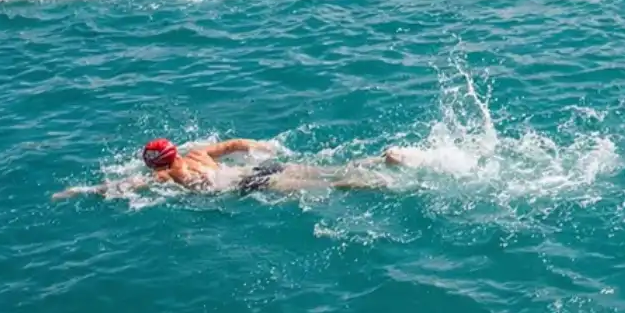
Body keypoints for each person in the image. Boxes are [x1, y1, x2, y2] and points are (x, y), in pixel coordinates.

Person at [53, 138, 404, 199]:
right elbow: (235, 144)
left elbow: (124, 186)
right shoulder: (197, 152)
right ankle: (377, 160)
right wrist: (266, 147)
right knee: (326, 170)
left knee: (329, 186)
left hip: (249, 186)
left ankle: (381, 184)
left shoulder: (164, 175)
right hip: (262, 166)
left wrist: (80, 191)